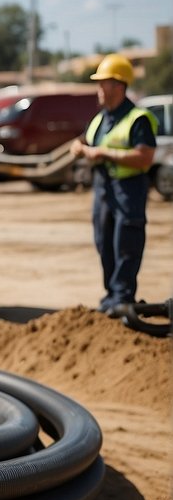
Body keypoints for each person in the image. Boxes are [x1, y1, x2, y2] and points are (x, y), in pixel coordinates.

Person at [70, 53, 158, 317]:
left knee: (126, 242)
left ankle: (123, 297)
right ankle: (111, 297)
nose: (98, 88)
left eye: (103, 83)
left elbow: (145, 156)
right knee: (104, 241)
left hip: (129, 188)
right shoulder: (100, 119)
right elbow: (84, 141)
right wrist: (79, 147)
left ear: (119, 86)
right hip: (103, 187)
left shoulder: (137, 118)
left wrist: (105, 154)